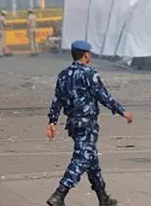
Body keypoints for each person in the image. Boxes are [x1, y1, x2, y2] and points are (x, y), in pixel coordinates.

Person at [46, 40, 134, 206]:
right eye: (89, 53)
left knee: (91, 160)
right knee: (82, 157)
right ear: (86, 54)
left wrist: (52, 121)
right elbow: (103, 96)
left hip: (72, 123)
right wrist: (122, 111)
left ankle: (103, 197)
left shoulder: (63, 75)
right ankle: (59, 193)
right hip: (87, 123)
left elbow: (57, 100)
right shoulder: (89, 73)